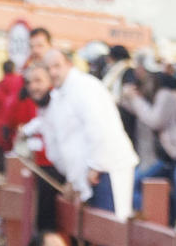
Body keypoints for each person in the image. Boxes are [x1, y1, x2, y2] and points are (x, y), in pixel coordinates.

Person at [37, 49, 139, 214]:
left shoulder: (85, 86)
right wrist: (73, 179)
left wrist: (95, 165)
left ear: (69, 64)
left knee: (110, 228)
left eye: (57, 66)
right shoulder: (58, 96)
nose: (53, 72)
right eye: (48, 69)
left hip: (104, 170)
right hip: (85, 177)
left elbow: (99, 127)